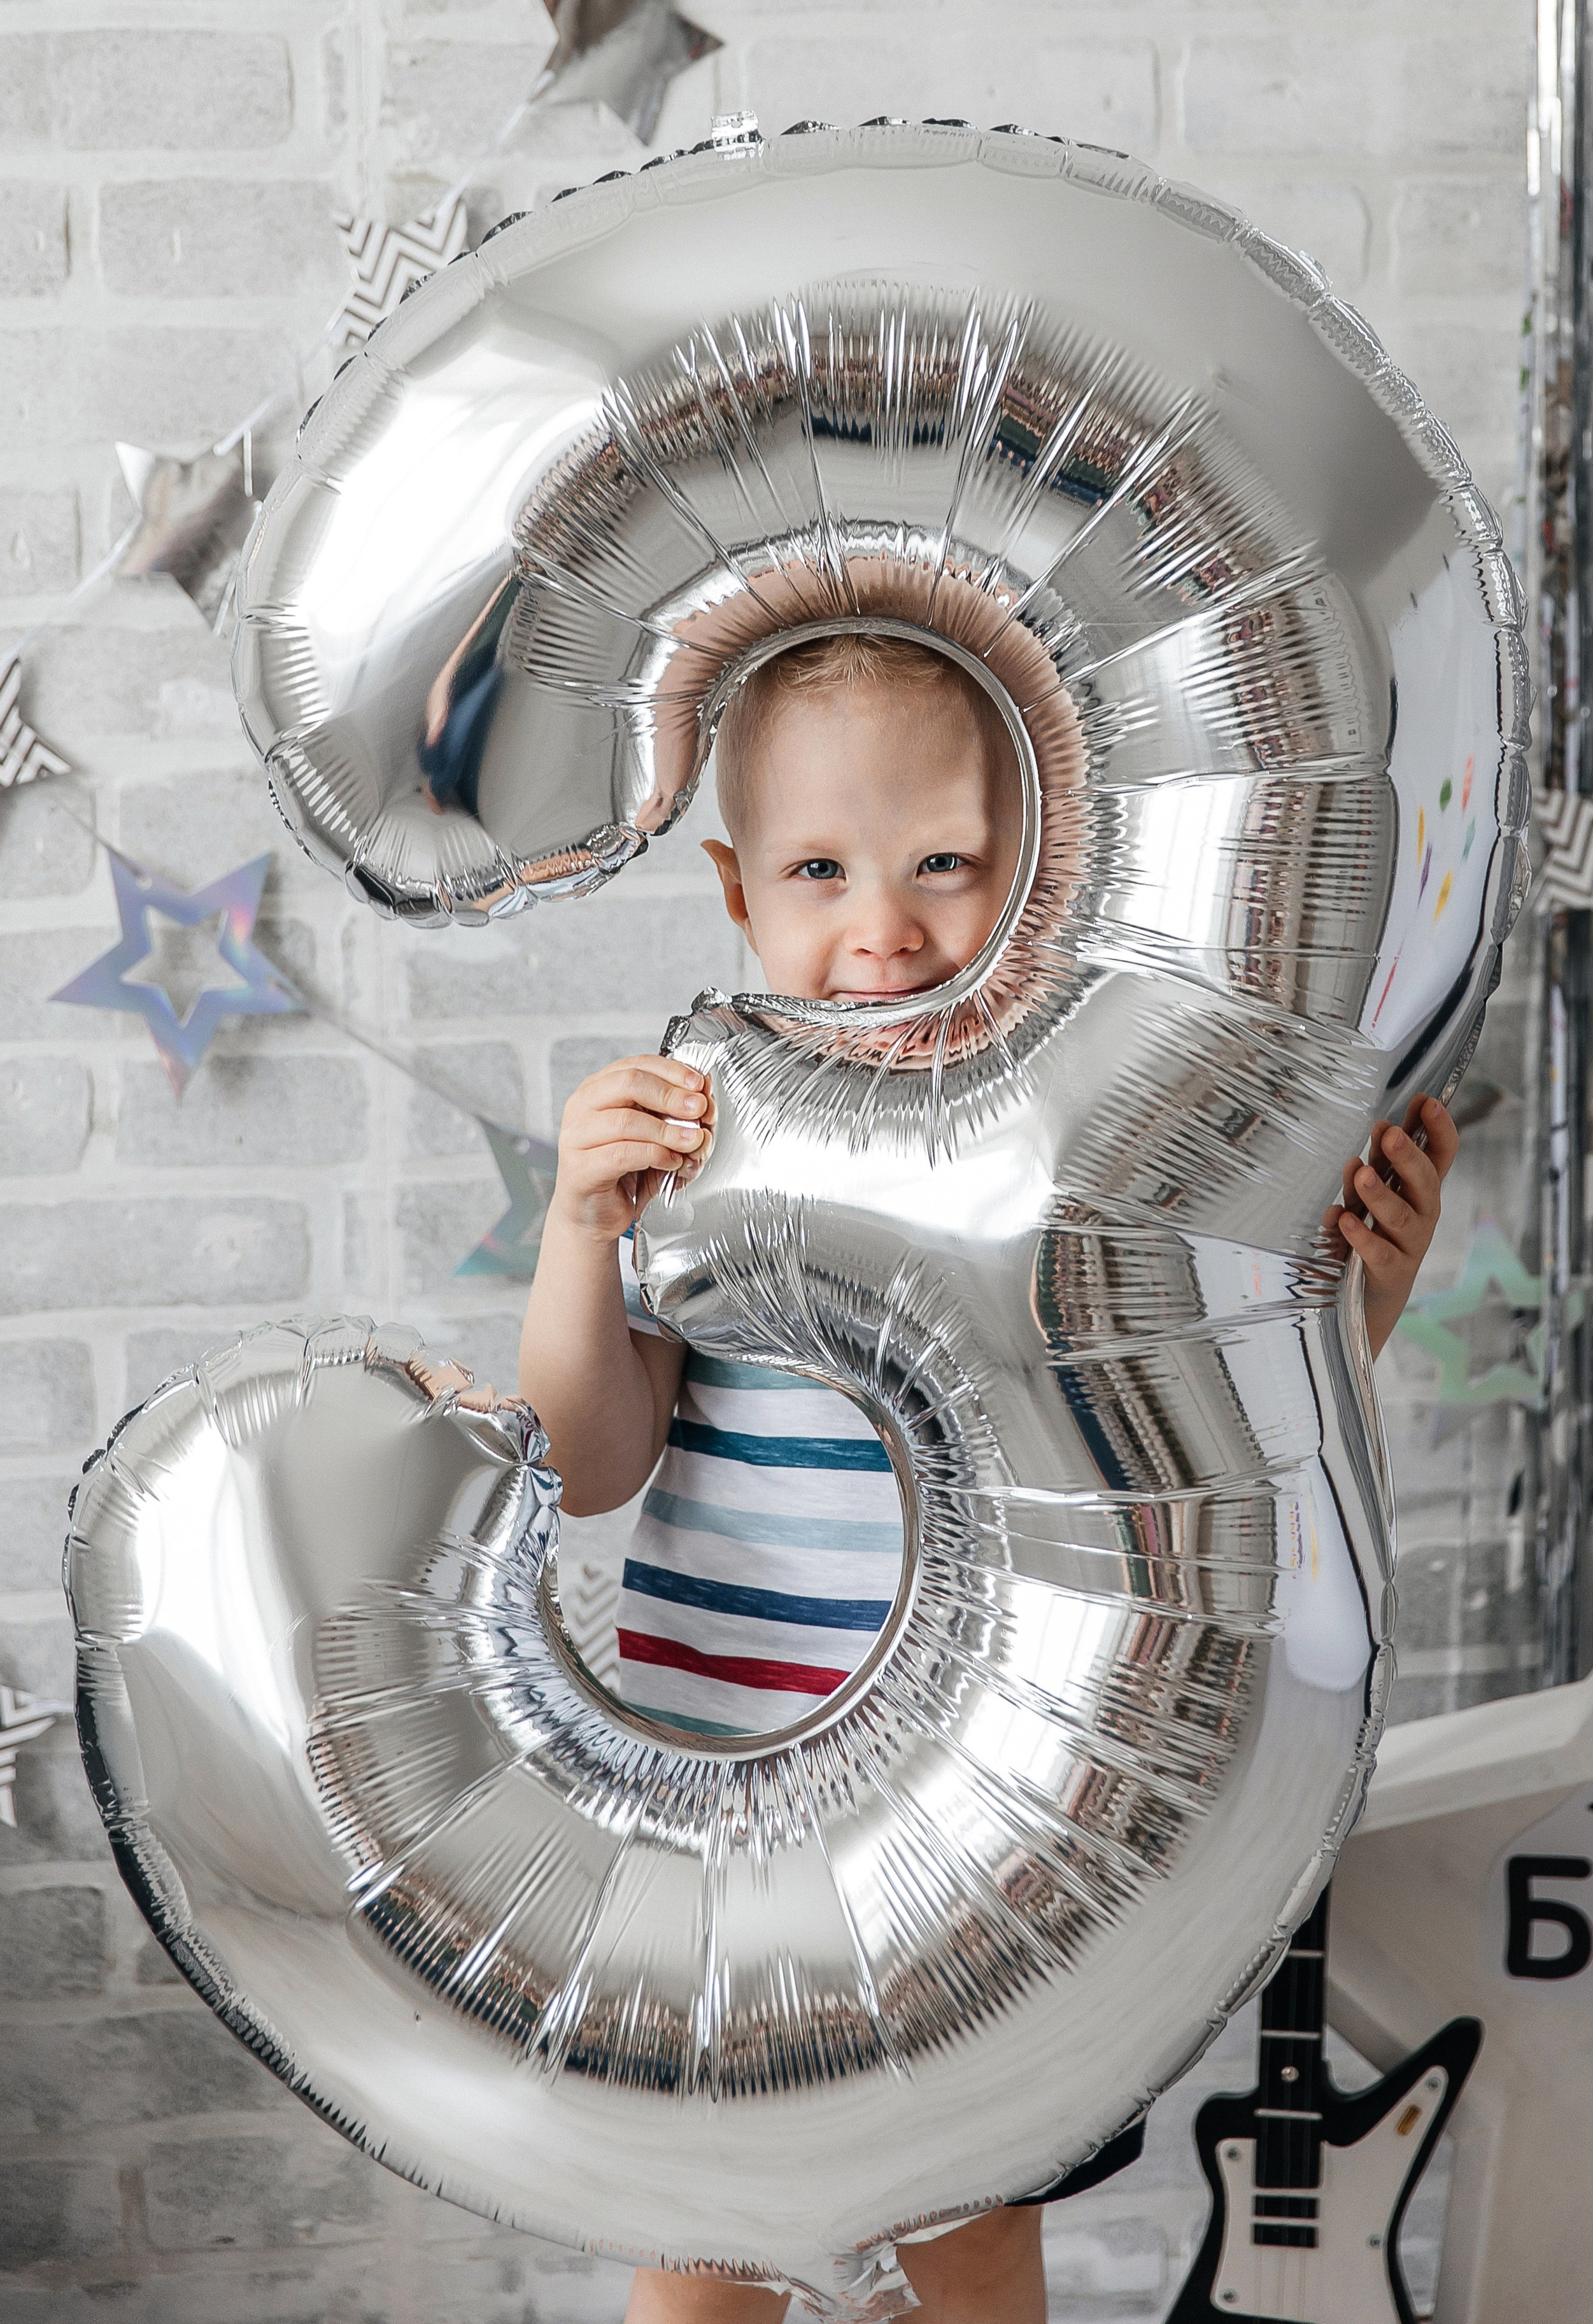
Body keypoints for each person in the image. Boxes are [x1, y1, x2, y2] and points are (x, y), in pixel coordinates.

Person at [518, 632, 1461, 2324]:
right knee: (706, 2257)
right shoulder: (699, 1130)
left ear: (1034, 870)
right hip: (728, 1823)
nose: (884, 927)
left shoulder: (1082, 1149)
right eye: (820, 870)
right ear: (737, 891)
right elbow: (589, 1467)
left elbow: (1208, 1451)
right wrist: (580, 1240)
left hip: (992, 1833)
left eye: (944, 863)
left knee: (974, 2249)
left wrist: (1356, 1303)